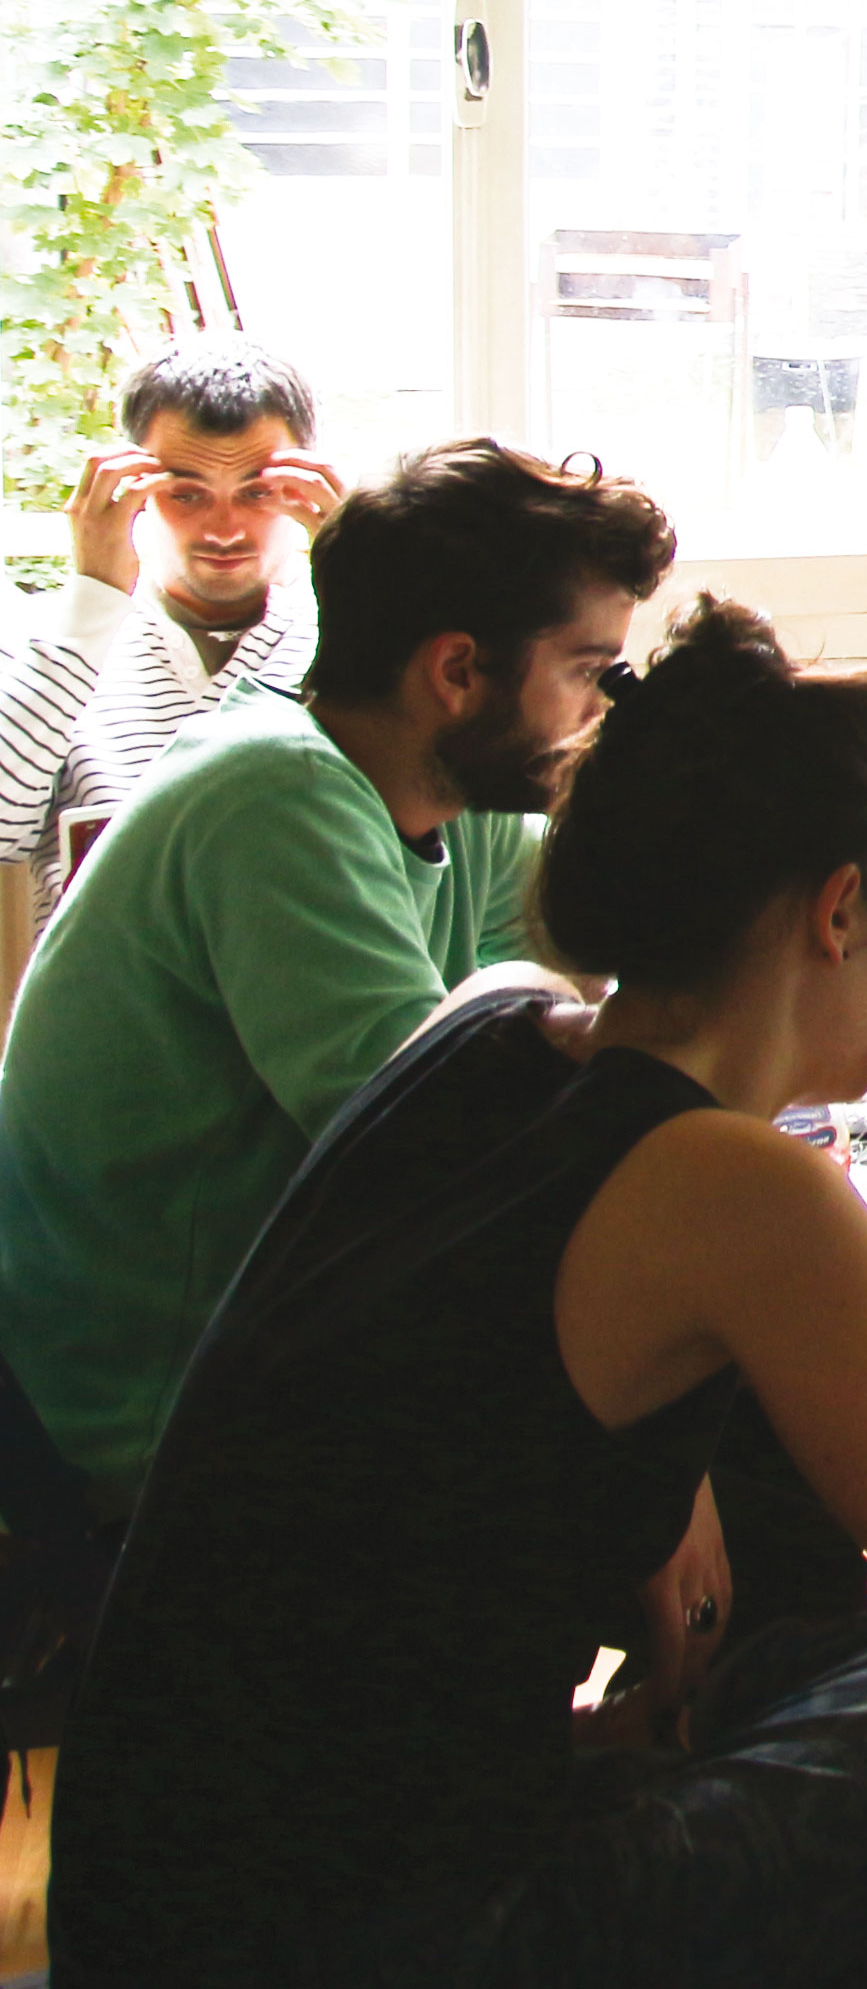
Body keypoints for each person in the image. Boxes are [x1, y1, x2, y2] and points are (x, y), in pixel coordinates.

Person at [51, 602, 867, 1982]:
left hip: (147, 1890)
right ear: (840, 909)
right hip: (379, 1937)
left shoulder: (491, 1018)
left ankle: (681, 1745)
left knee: (784, 1518)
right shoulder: (752, 1195)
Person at [0, 437, 671, 1504]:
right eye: (590, 671)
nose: (602, 711)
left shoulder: (456, 793)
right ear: (457, 671)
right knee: (691, 1430)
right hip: (156, 1422)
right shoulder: (276, 794)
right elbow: (442, 1156)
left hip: (301, 1332)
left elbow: (575, 1022)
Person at [0, 337, 343, 899]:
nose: (225, 530)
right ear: (130, 486)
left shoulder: (351, 637)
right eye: (187, 495)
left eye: (256, 493)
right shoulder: (47, 646)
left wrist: (357, 584)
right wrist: (95, 594)